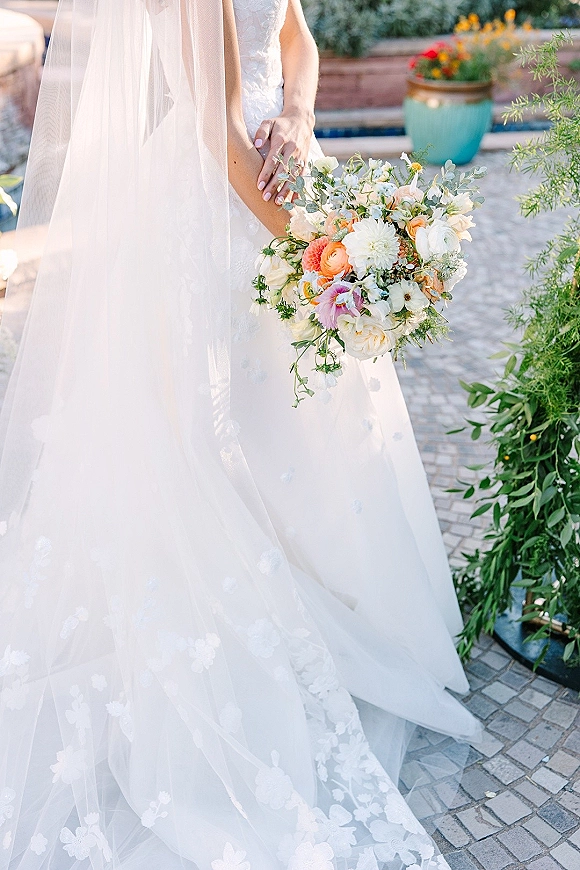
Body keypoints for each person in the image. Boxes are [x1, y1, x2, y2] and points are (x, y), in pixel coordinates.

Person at [0, 1, 480, 868]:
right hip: (219, 204)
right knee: (235, 429)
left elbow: (295, 38)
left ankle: (340, 597)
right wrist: (326, 257)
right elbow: (218, 135)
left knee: (321, 419)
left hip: (277, 171)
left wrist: (297, 118)